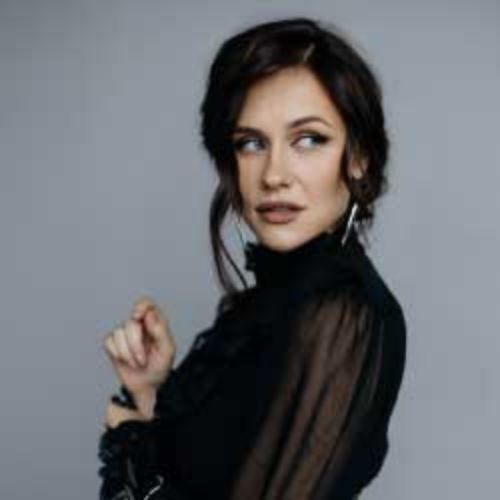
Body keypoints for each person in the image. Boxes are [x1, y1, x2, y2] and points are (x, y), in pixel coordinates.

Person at [97, 17, 407, 500]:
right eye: (252, 143)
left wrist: (132, 436)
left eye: (309, 139)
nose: (273, 174)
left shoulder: (341, 315)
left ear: (359, 158)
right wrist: (149, 391)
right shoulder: (267, 303)